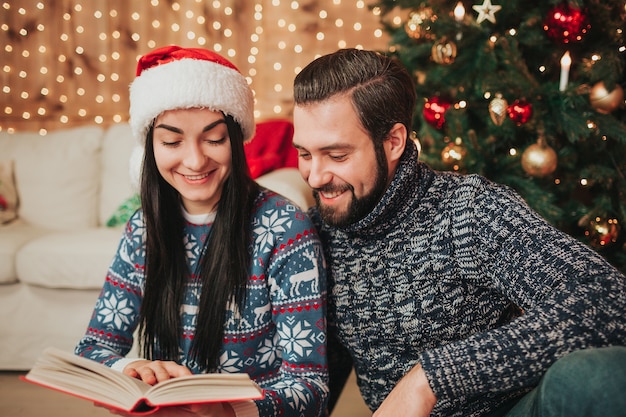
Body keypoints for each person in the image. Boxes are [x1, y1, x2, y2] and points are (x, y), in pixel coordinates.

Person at [291, 48, 626, 417]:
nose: (315, 176)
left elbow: (608, 299)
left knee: (594, 377)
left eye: (336, 156)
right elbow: (319, 376)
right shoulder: (315, 234)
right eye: (305, 154)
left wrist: (433, 378)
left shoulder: (466, 210)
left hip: (508, 410)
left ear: (393, 142)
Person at [75, 45, 328, 417]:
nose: (194, 161)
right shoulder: (143, 228)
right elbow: (93, 348)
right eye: (172, 141)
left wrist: (230, 408)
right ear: (150, 147)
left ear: (236, 142)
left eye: (213, 139)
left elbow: (311, 386)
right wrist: (127, 370)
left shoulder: (285, 228)